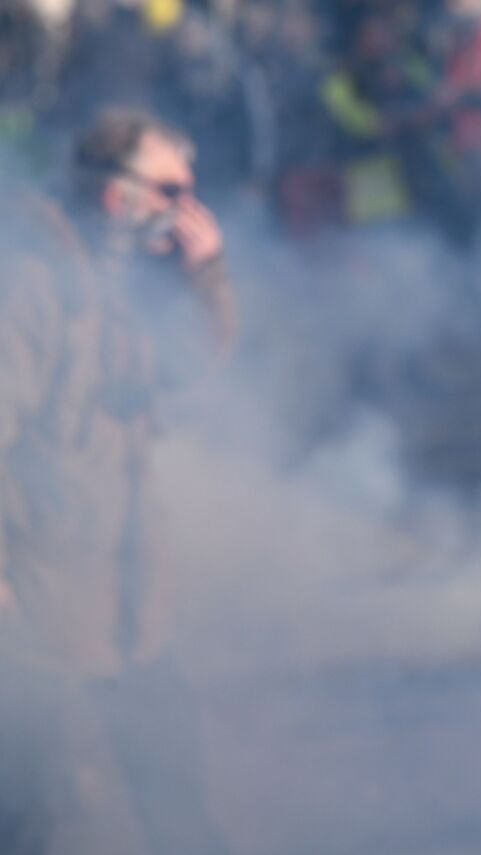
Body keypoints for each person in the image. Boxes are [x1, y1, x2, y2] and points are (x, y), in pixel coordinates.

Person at [0, 108, 236, 855]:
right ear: (116, 194)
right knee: (34, 808)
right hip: (40, 598)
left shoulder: (139, 268)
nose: (188, 209)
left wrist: (204, 279)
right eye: (172, 190)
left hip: (129, 591)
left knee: (176, 791)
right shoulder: (31, 283)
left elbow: (190, 369)